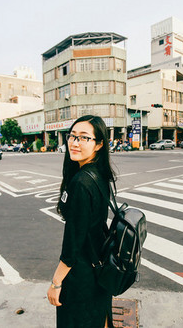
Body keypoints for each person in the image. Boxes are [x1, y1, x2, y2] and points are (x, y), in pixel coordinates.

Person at [47, 115, 116, 328]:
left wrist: (56, 282)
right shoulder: (98, 173)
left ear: (99, 144)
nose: (75, 143)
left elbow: (73, 243)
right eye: (73, 136)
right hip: (99, 267)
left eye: (84, 138)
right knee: (99, 318)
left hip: (82, 275)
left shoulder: (81, 182)